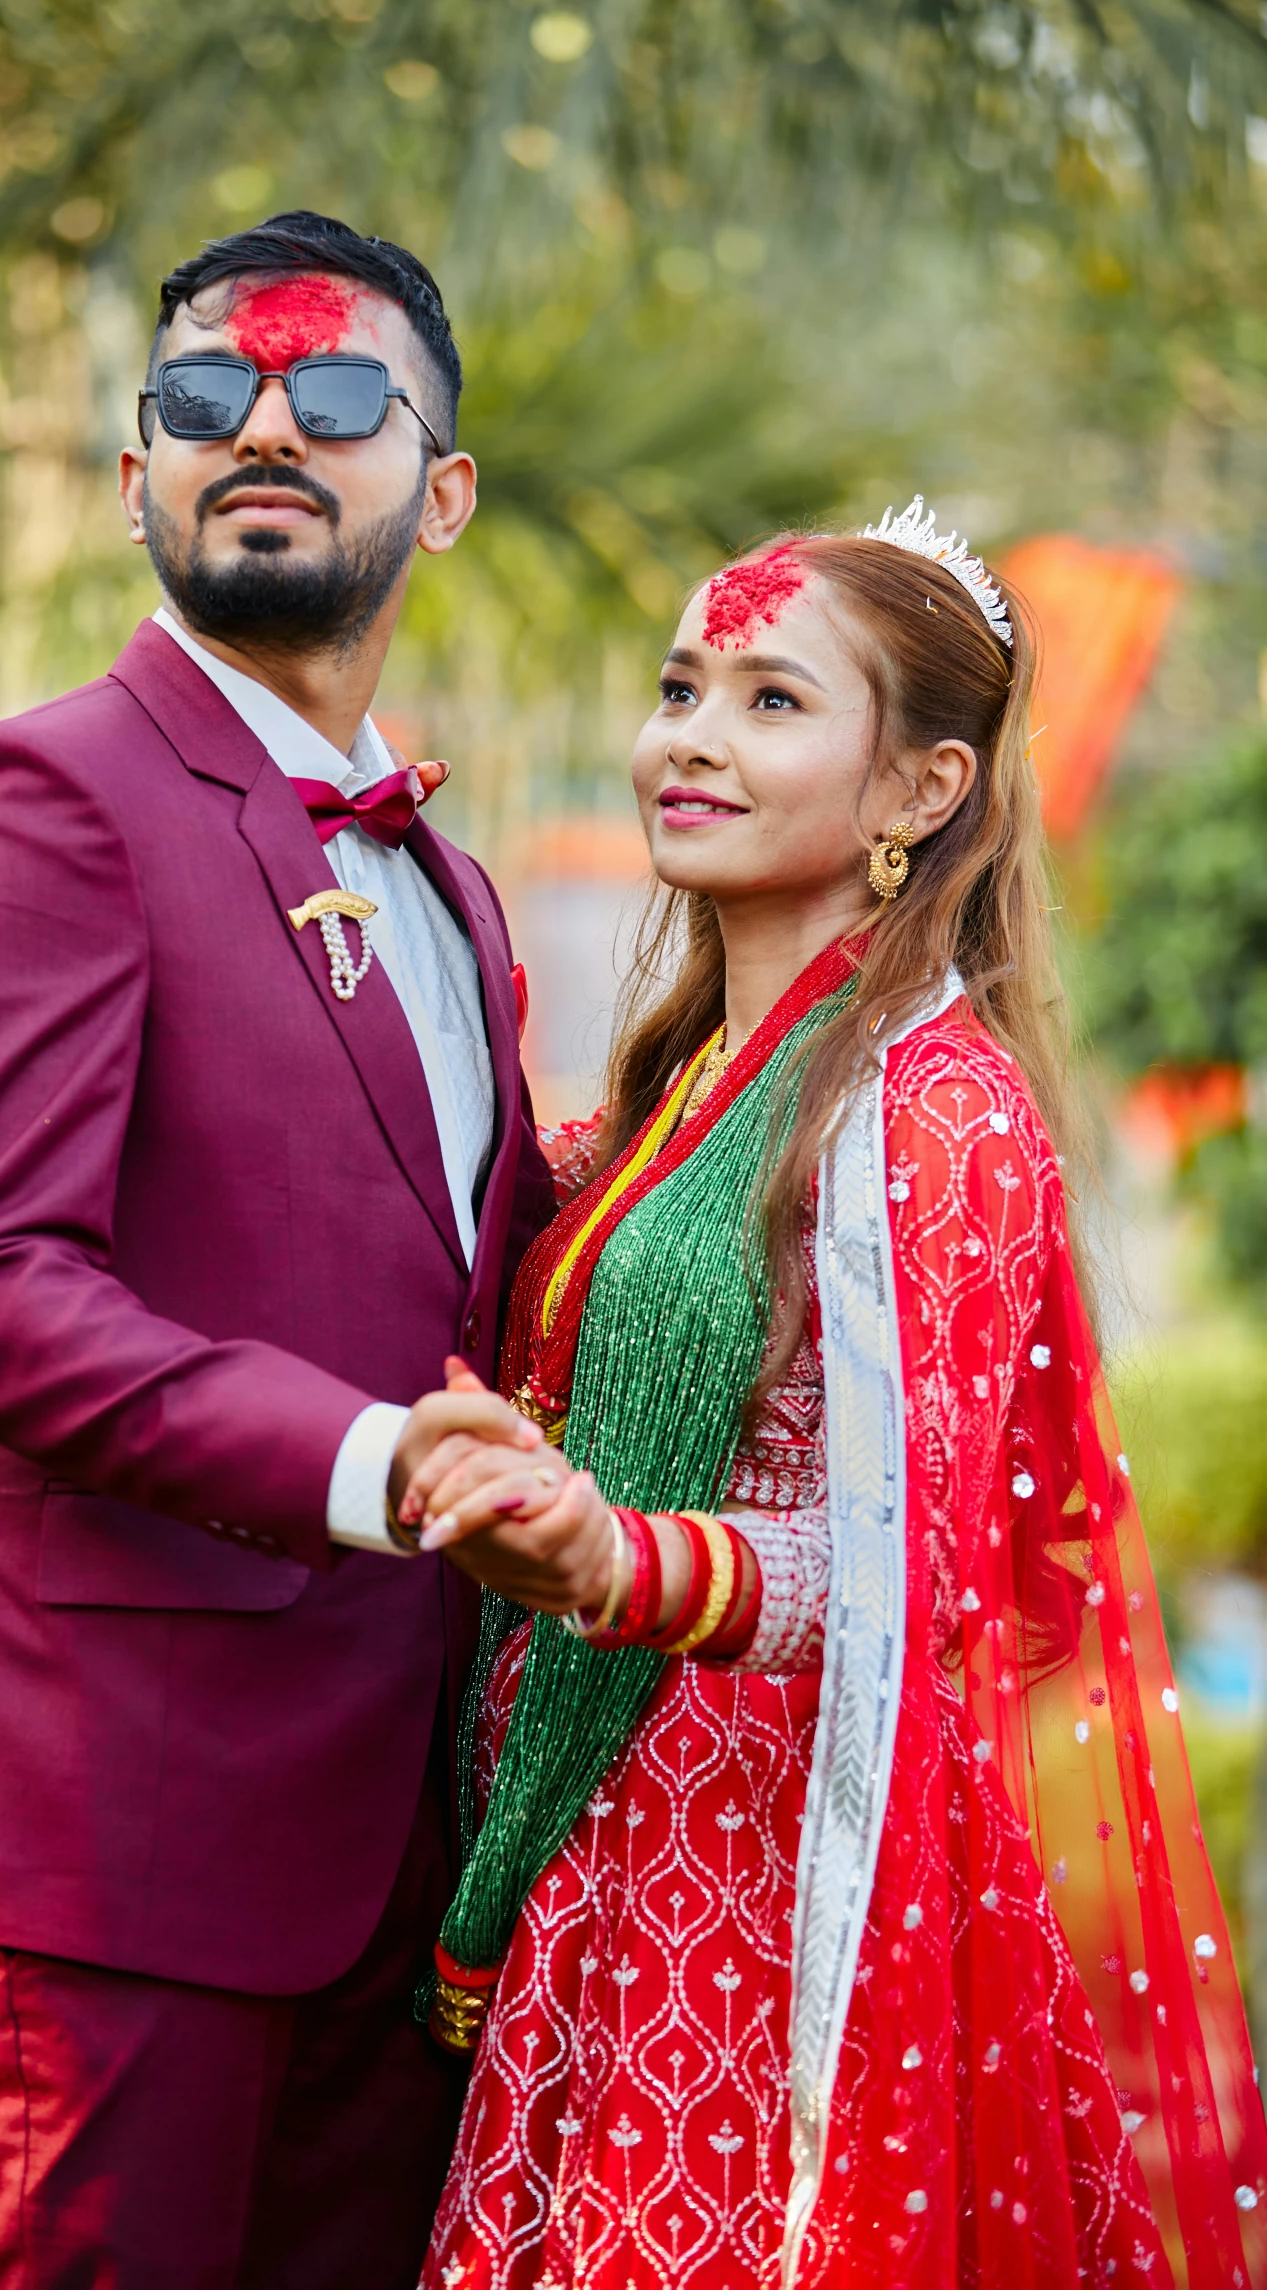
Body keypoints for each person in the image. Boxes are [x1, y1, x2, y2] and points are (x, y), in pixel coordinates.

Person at [398, 504, 1267, 2287]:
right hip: (604, 1842)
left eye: (768, 700)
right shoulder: (684, 1087)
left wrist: (617, 1564)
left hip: (764, 1896)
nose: (688, 738)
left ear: (915, 791)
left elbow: (908, 1576)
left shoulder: (930, 1113)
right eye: (676, 685)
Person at [0, 211, 557, 2290]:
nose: (260, 424)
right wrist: (378, 1466)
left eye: (335, 397)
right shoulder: (32, 797)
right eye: (198, 399)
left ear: (442, 489)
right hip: (109, 1859)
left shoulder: (460, 892)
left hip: (398, 1872)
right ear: (136, 473)